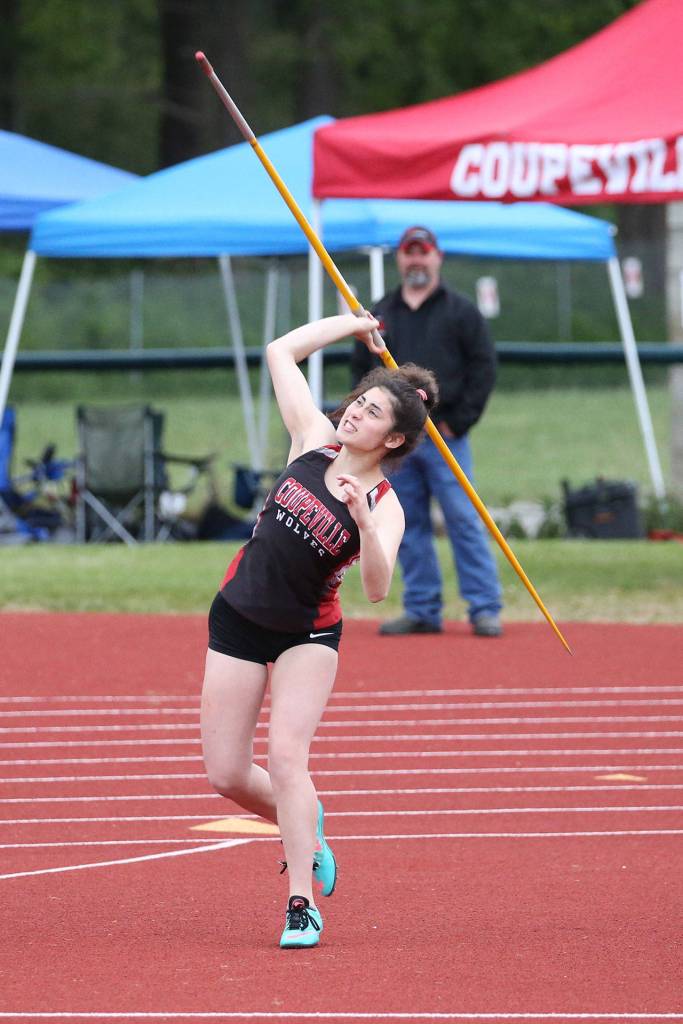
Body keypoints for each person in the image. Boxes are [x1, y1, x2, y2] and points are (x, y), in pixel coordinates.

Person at [201, 311, 438, 949]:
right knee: (225, 773)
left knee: (286, 759)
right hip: (240, 614)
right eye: (358, 401)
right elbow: (280, 350)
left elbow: (380, 587)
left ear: (394, 439)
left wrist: (362, 521)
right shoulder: (312, 439)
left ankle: (300, 903)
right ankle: (305, 822)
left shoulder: (387, 505)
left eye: (374, 412)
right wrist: (353, 324)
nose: (356, 413)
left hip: (307, 633)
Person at [351, 225, 503, 638]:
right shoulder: (381, 313)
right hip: (398, 441)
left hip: (445, 437)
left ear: (437, 257)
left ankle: (485, 607)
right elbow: (363, 374)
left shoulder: (461, 311)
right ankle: (421, 607)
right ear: (400, 259)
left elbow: (484, 368)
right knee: (405, 521)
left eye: (424, 253)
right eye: (409, 253)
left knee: (463, 518)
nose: (416, 260)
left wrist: (460, 420)